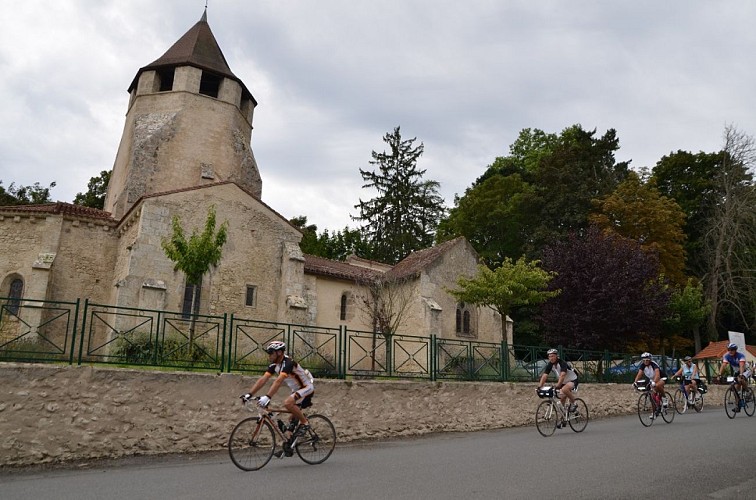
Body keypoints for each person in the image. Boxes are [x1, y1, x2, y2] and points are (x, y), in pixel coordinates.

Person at [241, 341, 315, 456]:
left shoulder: (288, 363)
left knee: (288, 403)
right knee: (291, 420)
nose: (269, 355)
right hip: (296, 391)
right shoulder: (274, 365)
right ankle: (289, 446)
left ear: (279, 352)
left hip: (306, 388)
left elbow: (278, 381)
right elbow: (263, 380)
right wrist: (249, 394)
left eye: (271, 353)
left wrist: (268, 396)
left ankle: (305, 423)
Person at [537, 348, 579, 427]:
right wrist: (540, 386)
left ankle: (574, 403)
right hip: (563, 382)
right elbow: (545, 375)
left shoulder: (562, 363)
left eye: (553, 356)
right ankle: (563, 419)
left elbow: (562, 375)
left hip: (572, 380)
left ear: (556, 356)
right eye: (549, 356)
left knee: (564, 389)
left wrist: (558, 385)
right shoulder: (550, 364)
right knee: (561, 400)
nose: (551, 358)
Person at [718, 343, 751, 410]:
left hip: (745, 370)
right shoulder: (727, 356)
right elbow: (723, 365)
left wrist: (741, 375)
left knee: (740, 379)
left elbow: (741, 366)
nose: (730, 351)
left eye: (732, 350)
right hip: (737, 372)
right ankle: (738, 405)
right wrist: (719, 374)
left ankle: (748, 391)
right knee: (735, 388)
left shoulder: (740, 355)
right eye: (729, 350)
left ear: (735, 350)